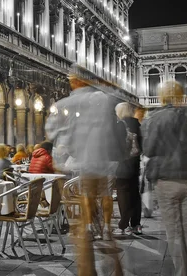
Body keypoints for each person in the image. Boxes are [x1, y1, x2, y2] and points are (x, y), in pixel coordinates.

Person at [46, 66, 126, 275]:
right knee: (104, 198)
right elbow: (115, 100)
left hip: (82, 164)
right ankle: (108, 238)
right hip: (106, 161)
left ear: (74, 81)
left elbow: (51, 132)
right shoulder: (103, 99)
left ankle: (87, 267)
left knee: (80, 219)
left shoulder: (65, 103)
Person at [142, 81, 187, 276]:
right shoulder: (184, 117)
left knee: (174, 231)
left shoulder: (154, 118)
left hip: (166, 179)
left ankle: (182, 273)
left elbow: (147, 149)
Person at [114, 102, 143, 236]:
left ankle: (123, 224)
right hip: (135, 163)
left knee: (123, 195)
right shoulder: (138, 125)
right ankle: (136, 224)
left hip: (123, 164)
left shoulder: (120, 125)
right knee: (135, 194)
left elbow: (117, 146)